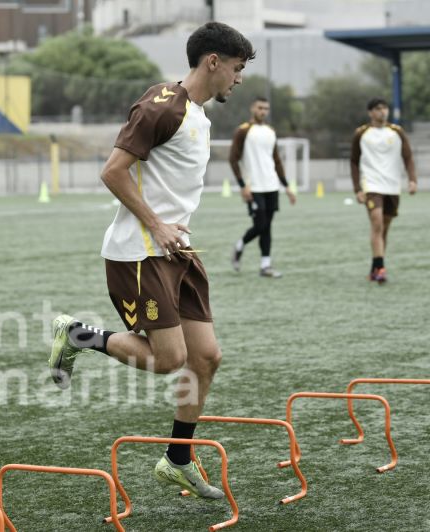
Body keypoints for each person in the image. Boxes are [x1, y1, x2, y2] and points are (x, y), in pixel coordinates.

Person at [48, 22, 254, 499]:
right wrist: (158, 225)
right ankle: (77, 335)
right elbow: (113, 171)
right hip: (140, 251)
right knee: (169, 359)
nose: (239, 78)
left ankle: (177, 459)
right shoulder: (162, 104)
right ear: (213, 62)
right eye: (237, 68)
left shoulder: (199, 115)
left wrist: (170, 231)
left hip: (177, 252)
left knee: (206, 357)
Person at [351, 98, 417, 284]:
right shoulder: (362, 133)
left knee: (384, 228)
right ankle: (380, 269)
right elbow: (354, 161)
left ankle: (375, 267)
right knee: (377, 221)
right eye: (378, 108)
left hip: (392, 185)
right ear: (370, 112)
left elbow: (408, 157)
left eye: (385, 108)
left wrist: (412, 179)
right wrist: (358, 188)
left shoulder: (397, 132)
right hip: (371, 184)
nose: (382, 111)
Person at [229, 97, 296, 278]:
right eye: (260, 108)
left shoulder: (270, 131)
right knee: (260, 225)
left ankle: (265, 266)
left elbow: (276, 160)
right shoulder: (243, 131)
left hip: (271, 186)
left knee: (267, 227)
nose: (263, 111)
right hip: (253, 187)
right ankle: (240, 246)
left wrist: (287, 186)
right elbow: (233, 159)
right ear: (252, 108)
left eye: (266, 108)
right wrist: (243, 185)